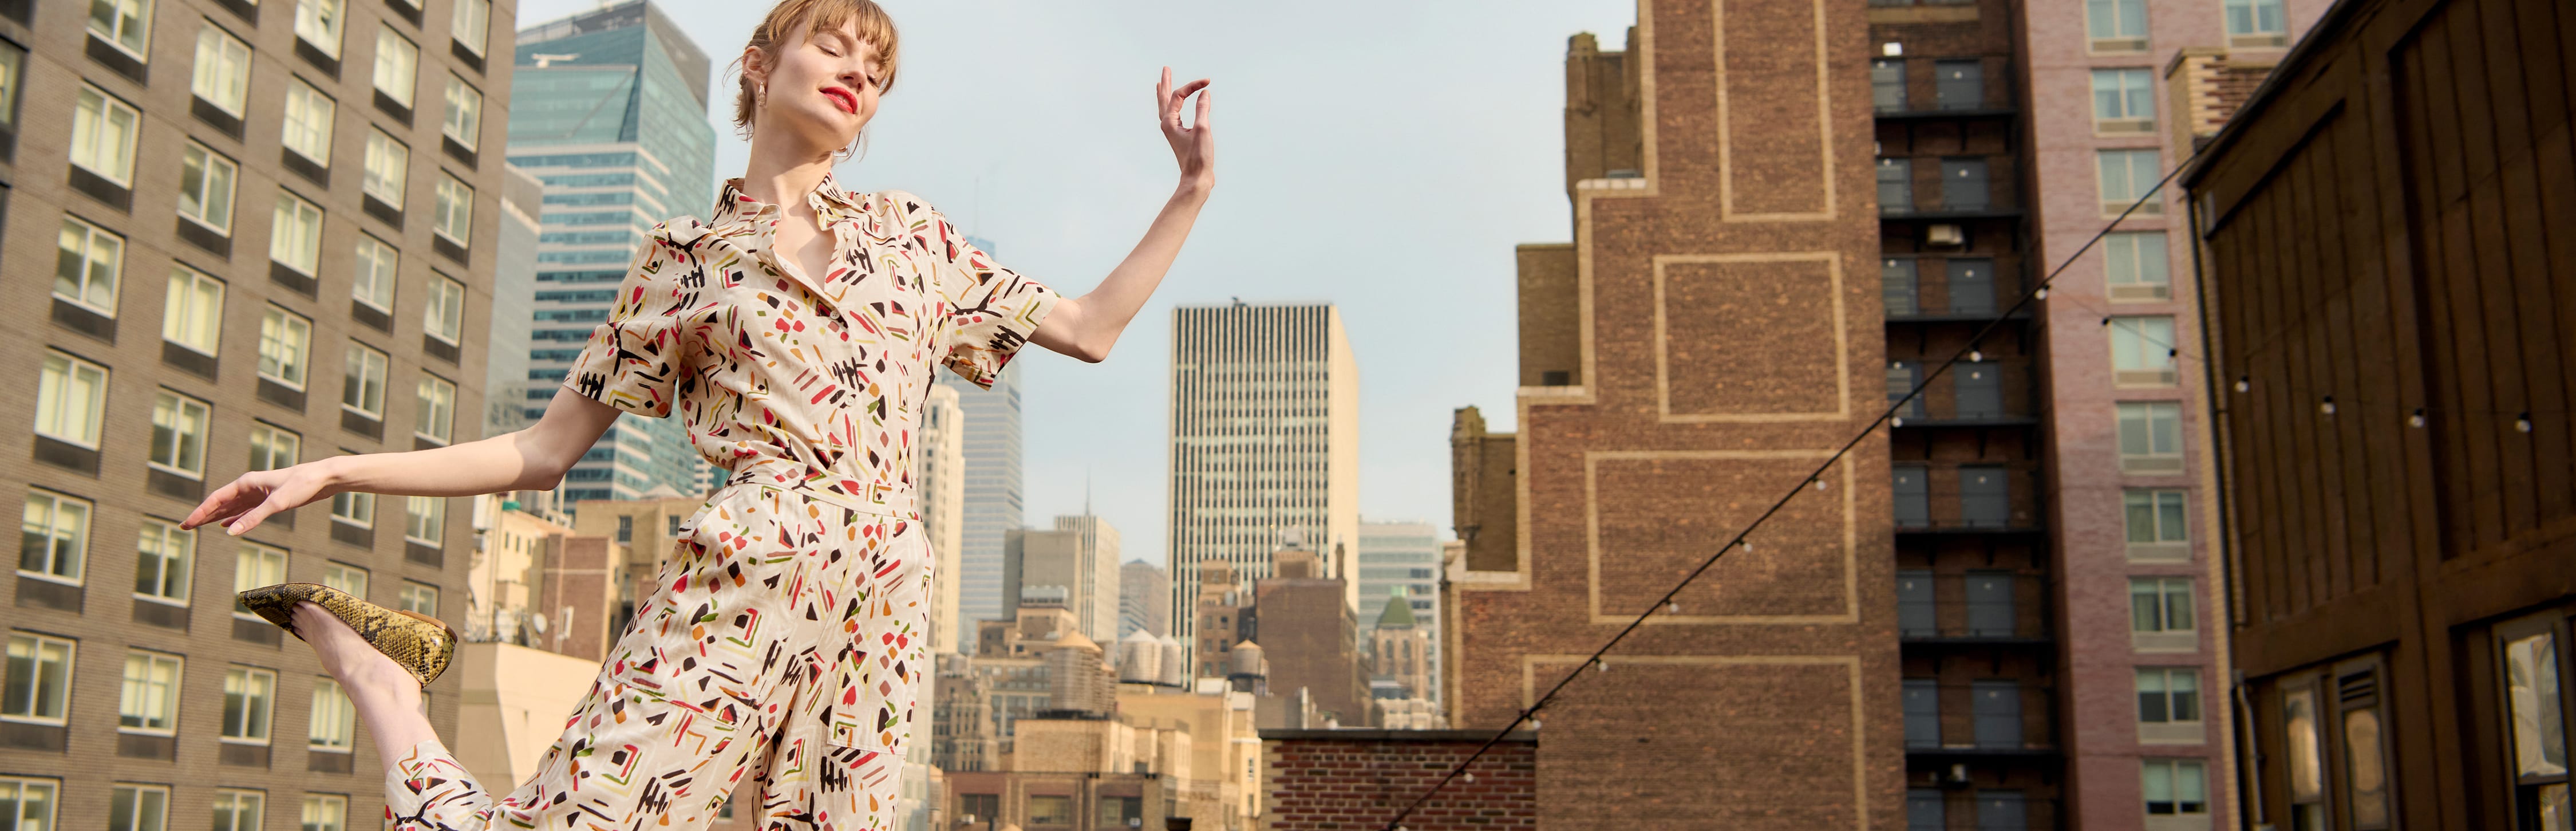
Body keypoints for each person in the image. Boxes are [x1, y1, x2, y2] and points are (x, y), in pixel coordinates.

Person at [183, 1, 1214, 827]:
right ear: (760, 65)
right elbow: (544, 452)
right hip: (746, 578)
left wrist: (1189, 190)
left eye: (879, 70)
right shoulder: (682, 260)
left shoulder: (913, 238)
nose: (861, 72)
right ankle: (380, 679)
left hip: (886, 603)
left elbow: (1086, 329)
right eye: (836, 45)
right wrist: (330, 472)